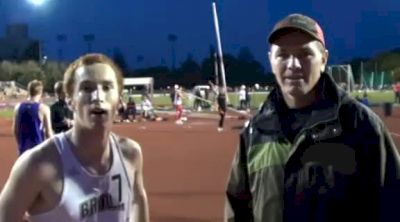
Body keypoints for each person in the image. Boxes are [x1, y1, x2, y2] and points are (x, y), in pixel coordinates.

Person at [224, 13, 400, 222]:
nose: (293, 65)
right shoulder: (256, 132)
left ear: (323, 59)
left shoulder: (361, 126)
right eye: (282, 55)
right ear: (271, 61)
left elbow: (392, 205)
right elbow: (238, 209)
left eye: (304, 54)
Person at [0, 53, 150, 222]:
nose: (98, 97)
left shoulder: (131, 154)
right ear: (70, 100)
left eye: (107, 87)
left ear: (119, 100)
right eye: (87, 88)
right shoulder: (37, 165)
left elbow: (138, 200)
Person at [12, 79, 53, 155]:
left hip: (23, 150)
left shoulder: (18, 107)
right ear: (40, 92)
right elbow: (48, 132)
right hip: (38, 150)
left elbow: (15, 130)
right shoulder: (43, 108)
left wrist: (20, 144)